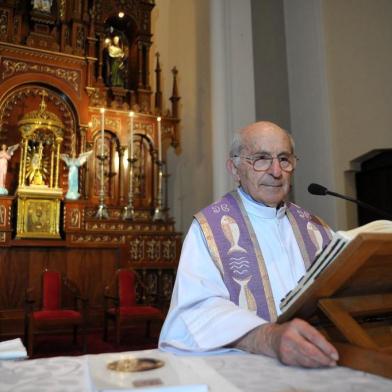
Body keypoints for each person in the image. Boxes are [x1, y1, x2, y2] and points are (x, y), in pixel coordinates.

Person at [159, 121, 339, 368]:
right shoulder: (210, 229)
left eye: (284, 159)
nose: (276, 171)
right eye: (261, 159)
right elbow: (195, 312)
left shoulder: (317, 229)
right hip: (252, 370)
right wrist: (269, 338)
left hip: (319, 363)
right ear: (234, 169)